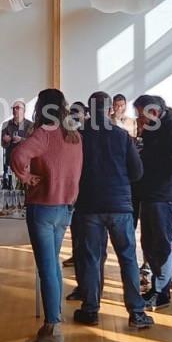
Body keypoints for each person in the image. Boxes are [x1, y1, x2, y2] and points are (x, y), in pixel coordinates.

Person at [71, 92, 152, 329]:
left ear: (88, 110)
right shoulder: (122, 137)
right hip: (119, 206)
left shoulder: (79, 137)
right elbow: (137, 173)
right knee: (127, 258)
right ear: (109, 110)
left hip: (89, 206)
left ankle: (90, 309)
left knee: (92, 258)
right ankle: (136, 312)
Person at [11, 88, 84, 342]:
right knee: (53, 265)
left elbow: (18, 155)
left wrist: (26, 177)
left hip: (43, 206)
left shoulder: (44, 133)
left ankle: (53, 326)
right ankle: (54, 322)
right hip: (66, 207)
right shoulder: (74, 134)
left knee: (47, 268)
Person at [133, 95, 172, 311]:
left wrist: (146, 158)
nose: (139, 119)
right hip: (152, 194)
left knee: (160, 243)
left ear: (153, 112)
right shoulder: (153, 131)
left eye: (141, 115)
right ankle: (157, 286)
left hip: (164, 195)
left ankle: (162, 291)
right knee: (149, 242)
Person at [0, 100, 34, 173]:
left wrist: (21, 140)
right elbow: (3, 144)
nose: (15, 110)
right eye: (13, 108)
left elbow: (33, 144)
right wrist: (6, 141)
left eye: (17, 108)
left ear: (24, 111)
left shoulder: (31, 125)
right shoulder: (5, 124)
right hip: (10, 162)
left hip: (26, 162)